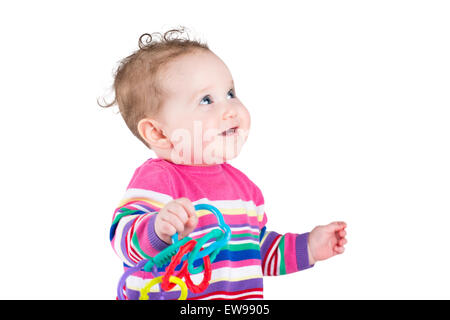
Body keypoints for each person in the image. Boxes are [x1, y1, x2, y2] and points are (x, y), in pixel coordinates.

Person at [101, 27, 347, 300]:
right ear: (158, 133)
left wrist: (308, 247)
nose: (230, 108)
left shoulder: (245, 189)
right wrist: (157, 228)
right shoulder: (158, 178)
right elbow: (124, 238)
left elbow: (254, 251)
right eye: (206, 100)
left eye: (230, 93)